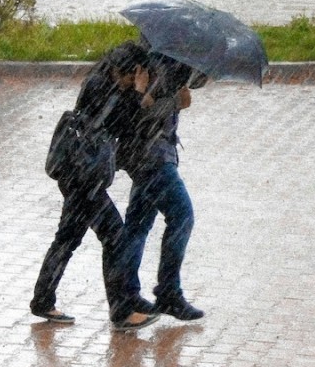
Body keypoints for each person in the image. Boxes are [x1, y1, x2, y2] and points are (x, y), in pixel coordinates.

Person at [30, 42, 158, 331]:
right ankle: (122, 311)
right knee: (115, 236)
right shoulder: (107, 90)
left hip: (76, 173)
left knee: (67, 238)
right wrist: (139, 95)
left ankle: (42, 299)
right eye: (138, 74)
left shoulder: (100, 80)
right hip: (84, 179)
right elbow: (126, 125)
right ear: (132, 71)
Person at [115, 52, 207, 321]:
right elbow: (141, 114)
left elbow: (196, 82)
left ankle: (127, 294)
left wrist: (199, 69)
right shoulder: (153, 61)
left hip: (150, 154)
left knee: (138, 224)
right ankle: (167, 292)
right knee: (182, 215)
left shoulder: (174, 58)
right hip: (151, 157)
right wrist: (175, 102)